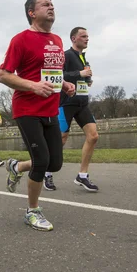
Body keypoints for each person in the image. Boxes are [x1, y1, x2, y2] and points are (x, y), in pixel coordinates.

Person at [0, 0, 75, 231]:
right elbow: (3, 75)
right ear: (32, 12)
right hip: (27, 109)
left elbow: (51, 72)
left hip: (51, 109)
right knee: (41, 161)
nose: (51, 7)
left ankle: (17, 167)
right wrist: (33, 86)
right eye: (45, 5)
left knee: (55, 163)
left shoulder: (57, 40)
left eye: (53, 4)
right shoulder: (20, 40)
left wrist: (63, 84)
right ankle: (32, 211)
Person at [44, 26, 99, 192]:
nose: (86, 39)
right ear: (74, 39)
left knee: (93, 136)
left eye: (87, 36)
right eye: (83, 36)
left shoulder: (83, 58)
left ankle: (82, 175)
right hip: (65, 104)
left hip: (82, 103)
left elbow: (81, 77)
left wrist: (86, 80)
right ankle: (47, 173)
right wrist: (80, 74)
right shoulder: (66, 55)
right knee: (61, 139)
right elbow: (57, 75)